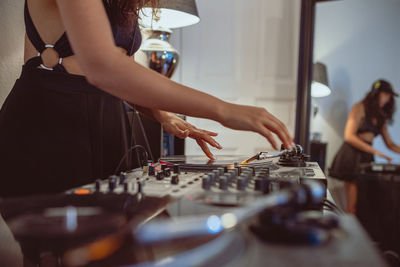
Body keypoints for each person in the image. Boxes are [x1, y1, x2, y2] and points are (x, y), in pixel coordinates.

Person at [0, 0, 293, 197]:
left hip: (103, 123)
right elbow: (102, 67)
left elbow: (119, 69)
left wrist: (163, 115)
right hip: (49, 125)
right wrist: (222, 109)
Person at [329, 79, 400, 214]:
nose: (387, 99)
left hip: (366, 157)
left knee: (366, 205)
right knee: (352, 207)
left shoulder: (380, 117)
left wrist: (375, 152)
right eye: (385, 94)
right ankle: (351, 233)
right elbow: (349, 136)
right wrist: (374, 151)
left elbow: (390, 144)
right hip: (351, 155)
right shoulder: (359, 107)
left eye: (389, 96)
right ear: (375, 94)